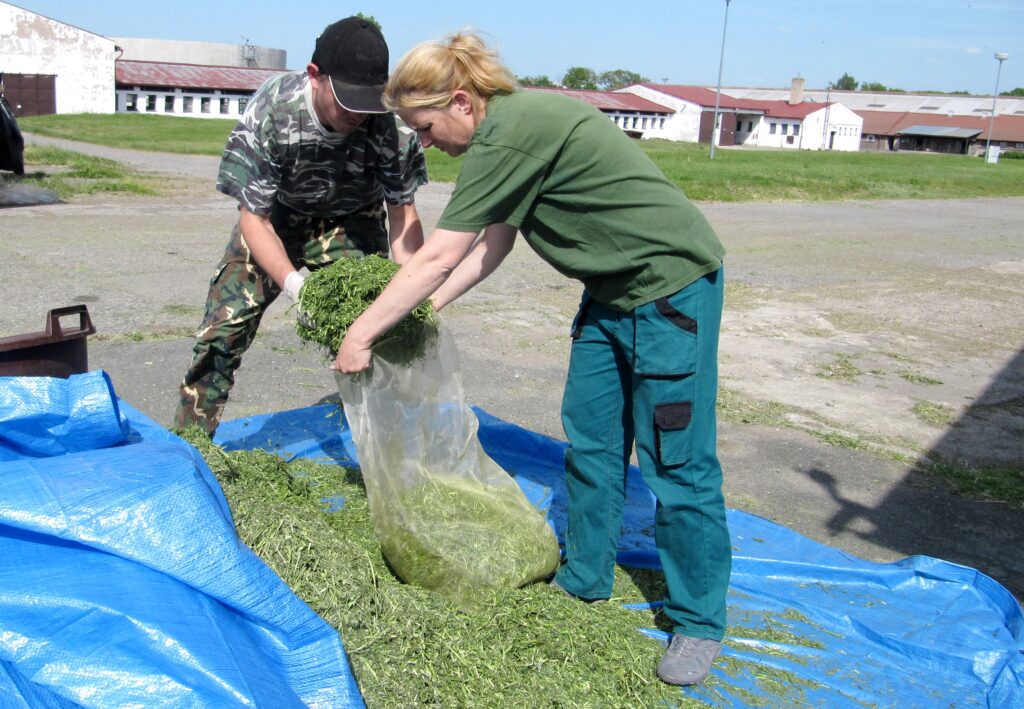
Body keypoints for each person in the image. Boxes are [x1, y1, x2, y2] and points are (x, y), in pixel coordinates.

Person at [333, 32, 731, 686]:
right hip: (610, 292)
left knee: (676, 462)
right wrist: (429, 310)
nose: (424, 141)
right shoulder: (508, 130)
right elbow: (493, 246)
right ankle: (584, 578)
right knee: (593, 438)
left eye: (425, 126)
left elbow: (436, 255)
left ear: (461, 100)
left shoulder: (511, 135)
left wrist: (362, 333)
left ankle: (698, 618)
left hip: (670, 289)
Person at [174, 17, 428, 434]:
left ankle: (381, 444)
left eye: (369, 102)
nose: (358, 115)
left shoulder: (391, 125)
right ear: (315, 75)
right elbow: (252, 219)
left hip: (352, 220)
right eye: (347, 101)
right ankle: (191, 444)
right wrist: (296, 287)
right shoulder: (273, 110)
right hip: (277, 218)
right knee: (223, 331)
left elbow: (403, 215)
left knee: (372, 329)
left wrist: (408, 285)